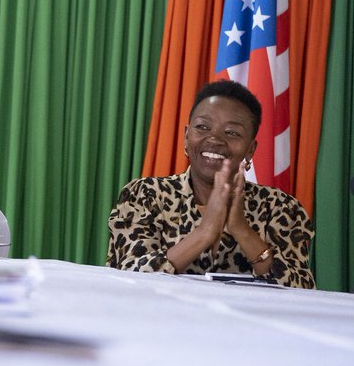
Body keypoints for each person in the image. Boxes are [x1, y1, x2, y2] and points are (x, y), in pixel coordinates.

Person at [107, 79, 315, 289]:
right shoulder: (145, 195)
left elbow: (302, 289)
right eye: (203, 127)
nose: (214, 139)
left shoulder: (280, 207)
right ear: (187, 137)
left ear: (250, 149)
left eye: (232, 133)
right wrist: (205, 232)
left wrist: (242, 230)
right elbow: (128, 279)